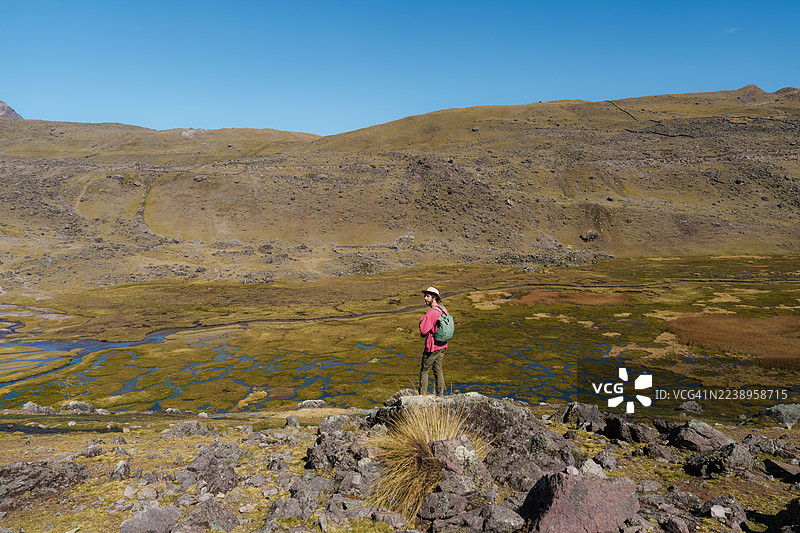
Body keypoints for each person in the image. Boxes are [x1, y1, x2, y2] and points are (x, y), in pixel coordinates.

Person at [418, 286, 448, 396]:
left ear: (434, 297)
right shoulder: (443, 309)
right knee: (438, 370)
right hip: (442, 345)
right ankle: (440, 395)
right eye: (425, 296)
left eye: (427, 296)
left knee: (424, 370)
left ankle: (422, 396)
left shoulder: (431, 312)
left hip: (432, 347)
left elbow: (423, 330)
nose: (425, 298)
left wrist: (422, 320)